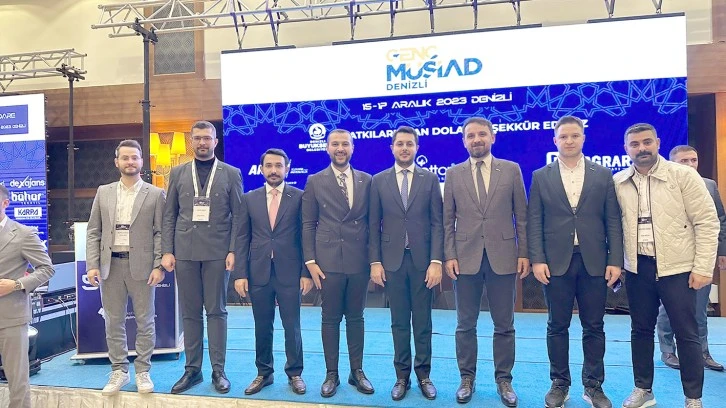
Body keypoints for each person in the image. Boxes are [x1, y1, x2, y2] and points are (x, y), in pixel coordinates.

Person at [614, 123, 718, 408]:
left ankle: (693, 397)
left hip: (678, 269)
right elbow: (614, 227)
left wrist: (703, 267)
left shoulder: (683, 175)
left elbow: (707, 222)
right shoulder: (619, 182)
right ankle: (643, 389)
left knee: (687, 333)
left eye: (647, 142)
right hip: (638, 269)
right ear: (626, 149)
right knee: (640, 331)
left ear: (658, 143)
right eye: (635, 144)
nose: (642, 148)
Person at [527, 116, 623, 408]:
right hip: (555, 262)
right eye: (564, 136)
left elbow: (613, 220)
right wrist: (537, 259)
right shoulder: (541, 175)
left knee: (594, 326)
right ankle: (560, 383)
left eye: (574, 136)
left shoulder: (602, 174)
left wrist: (615, 260)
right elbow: (534, 220)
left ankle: (593, 386)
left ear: (583, 138)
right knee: (557, 325)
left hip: (594, 261)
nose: (569, 141)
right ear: (555, 140)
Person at [443, 116, 529, 406]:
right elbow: (447, 220)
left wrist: (523, 253)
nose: (476, 139)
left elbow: (521, 216)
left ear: (492, 137)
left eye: (482, 134)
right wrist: (449, 255)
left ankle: (504, 380)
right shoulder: (453, 174)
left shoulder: (511, 170)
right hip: (465, 258)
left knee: (504, 324)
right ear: (464, 141)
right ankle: (466, 378)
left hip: (503, 257)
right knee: (465, 324)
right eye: (470, 136)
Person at [161, 121, 244, 394]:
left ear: (215, 141)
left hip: (218, 252)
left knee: (217, 311)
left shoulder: (231, 173)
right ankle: (192, 370)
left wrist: (233, 250)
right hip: (184, 252)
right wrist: (167, 250)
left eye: (207, 138)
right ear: (191, 142)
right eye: (197, 138)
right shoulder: (178, 172)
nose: (202, 143)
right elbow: (169, 214)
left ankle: (219, 371)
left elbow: (239, 216)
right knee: (190, 313)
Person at [86, 140, 167, 395]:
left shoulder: (155, 194)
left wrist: (159, 265)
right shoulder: (104, 192)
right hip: (110, 266)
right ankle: (119, 370)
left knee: (145, 321)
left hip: (142, 267)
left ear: (142, 161)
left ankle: (142, 371)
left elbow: (160, 232)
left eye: (134, 157)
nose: (130, 162)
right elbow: (94, 231)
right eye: (125, 158)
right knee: (113, 321)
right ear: (117, 162)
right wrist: (92, 264)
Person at [368, 126, 443, 401]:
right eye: (399, 144)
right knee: (399, 322)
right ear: (392, 148)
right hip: (392, 262)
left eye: (409, 144)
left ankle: (424, 375)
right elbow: (372, 224)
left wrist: (436, 261)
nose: (404, 148)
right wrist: (375, 261)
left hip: (423, 262)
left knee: (423, 322)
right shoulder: (379, 180)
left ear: (416, 148)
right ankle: (402, 377)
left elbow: (437, 223)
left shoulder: (430, 179)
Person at [234, 148, 313, 396]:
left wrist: (306, 272)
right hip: (259, 272)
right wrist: (240, 273)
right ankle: (264, 373)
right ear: (261, 169)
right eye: (268, 166)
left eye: (278, 166)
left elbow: (306, 236)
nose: (274, 170)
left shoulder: (299, 197)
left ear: (287, 168)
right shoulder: (249, 199)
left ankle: (295, 373)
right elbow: (242, 238)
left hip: (290, 272)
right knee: (262, 326)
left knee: (292, 326)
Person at [302, 129, 373, 398]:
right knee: (330, 319)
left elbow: (373, 223)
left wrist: (373, 260)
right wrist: (310, 261)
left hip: (358, 261)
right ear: (327, 148)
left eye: (345, 144)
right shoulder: (315, 181)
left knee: (356, 318)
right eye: (335, 144)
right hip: (327, 262)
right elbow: (308, 224)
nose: (340, 148)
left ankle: (357, 372)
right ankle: (331, 374)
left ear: (353, 148)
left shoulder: (367, 180)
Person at [656, 145, 726, 372]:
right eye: (683, 161)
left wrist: (722, 251)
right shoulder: (661, 185)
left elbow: (719, 220)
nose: (690, 165)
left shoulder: (709, 185)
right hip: (672, 256)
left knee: (699, 308)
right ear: (672, 163)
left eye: (693, 160)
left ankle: (702, 352)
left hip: (701, 256)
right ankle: (667, 350)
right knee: (668, 306)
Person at [0, 183, 55, 408]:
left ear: (5, 203)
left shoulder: (22, 234)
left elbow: (47, 269)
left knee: (17, 380)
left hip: (10, 316)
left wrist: (16, 285)